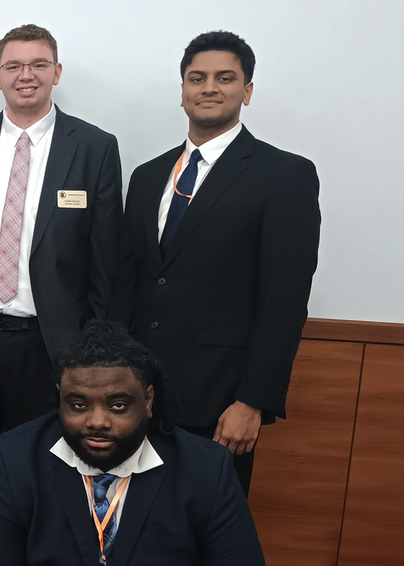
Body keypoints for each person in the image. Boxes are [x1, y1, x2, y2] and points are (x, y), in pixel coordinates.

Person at [0, 24, 123, 547]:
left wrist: (96, 354)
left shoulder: (95, 148)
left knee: (42, 473)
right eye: (14, 66)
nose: (26, 75)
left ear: (57, 73)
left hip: (50, 347)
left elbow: (106, 263)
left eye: (38, 64)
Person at [0, 320, 271, 566]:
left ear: (147, 399)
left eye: (118, 405)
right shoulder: (13, 460)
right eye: (78, 405)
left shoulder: (204, 468)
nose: (97, 421)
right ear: (59, 398)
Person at [112, 31, 321, 494]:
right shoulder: (147, 176)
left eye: (225, 78)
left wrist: (253, 401)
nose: (210, 87)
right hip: (135, 396)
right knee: (125, 527)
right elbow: (129, 285)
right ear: (183, 91)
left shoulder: (285, 176)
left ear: (247, 91)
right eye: (197, 78)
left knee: (202, 536)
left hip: (220, 401)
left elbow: (285, 300)